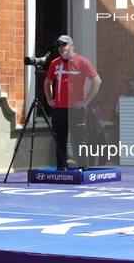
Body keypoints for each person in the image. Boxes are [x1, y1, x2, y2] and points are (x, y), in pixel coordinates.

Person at [44, 35, 101, 171]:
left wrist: (86, 101)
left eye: (64, 44)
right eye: (59, 45)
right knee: (59, 140)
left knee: (80, 139)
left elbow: (97, 81)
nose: (61, 47)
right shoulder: (55, 63)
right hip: (59, 109)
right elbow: (47, 82)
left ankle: (83, 167)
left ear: (71, 45)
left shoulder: (82, 61)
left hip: (76, 109)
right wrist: (49, 99)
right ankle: (61, 167)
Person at [85, 93, 108, 166]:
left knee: (105, 150)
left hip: (100, 133)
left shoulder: (97, 106)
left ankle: (101, 165)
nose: (100, 97)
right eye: (98, 96)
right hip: (93, 134)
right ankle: (91, 166)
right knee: (92, 152)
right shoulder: (87, 107)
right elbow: (85, 121)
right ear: (94, 97)